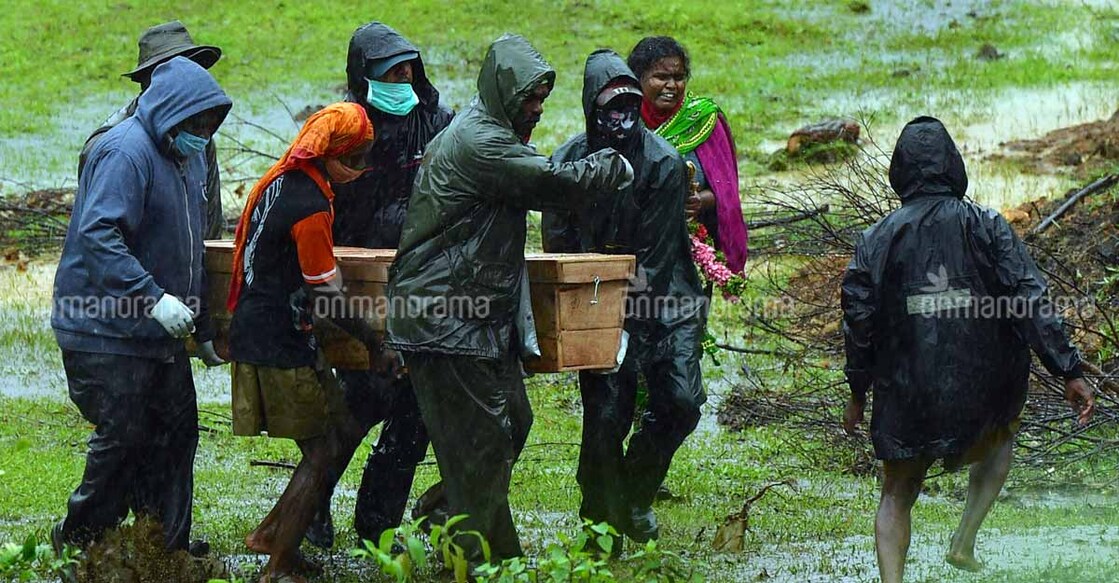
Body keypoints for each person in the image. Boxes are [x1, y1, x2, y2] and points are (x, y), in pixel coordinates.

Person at [384, 33, 633, 560]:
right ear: (503, 93)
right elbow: (552, 183)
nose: (538, 110)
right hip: (445, 317)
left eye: (542, 99)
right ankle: (488, 562)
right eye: (530, 99)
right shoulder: (482, 142)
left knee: (511, 424)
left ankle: (441, 524)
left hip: (472, 316)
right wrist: (616, 164)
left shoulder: (490, 129)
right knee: (484, 444)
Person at [841, 116, 1096, 583]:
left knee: (896, 491)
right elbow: (1029, 297)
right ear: (954, 167)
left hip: (905, 390)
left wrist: (858, 393)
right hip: (983, 388)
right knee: (1000, 440)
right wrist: (1069, 370)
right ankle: (965, 538)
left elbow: (859, 326)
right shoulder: (987, 226)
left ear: (899, 172)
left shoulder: (875, 240)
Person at [50, 57, 231, 566]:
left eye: (209, 125)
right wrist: (152, 297)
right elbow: (99, 236)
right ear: (170, 113)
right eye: (195, 124)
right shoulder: (124, 153)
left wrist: (208, 328)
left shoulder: (188, 157)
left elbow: (193, 247)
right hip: (101, 328)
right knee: (125, 433)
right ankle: (83, 537)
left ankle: (164, 546)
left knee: (177, 432)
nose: (202, 134)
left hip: (157, 332)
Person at [226, 102, 398, 582]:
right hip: (277, 340)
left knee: (338, 429)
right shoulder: (310, 206)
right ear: (334, 154)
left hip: (271, 329)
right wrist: (374, 343)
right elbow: (326, 293)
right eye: (358, 158)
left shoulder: (284, 181)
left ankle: (271, 533)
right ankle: (277, 565)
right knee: (322, 451)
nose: (362, 170)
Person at [542, 49, 706, 549]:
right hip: (596, 294)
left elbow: (655, 261)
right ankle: (598, 520)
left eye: (628, 106)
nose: (620, 117)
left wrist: (627, 327)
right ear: (592, 107)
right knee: (605, 417)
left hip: (666, 296)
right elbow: (559, 244)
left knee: (680, 401)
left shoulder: (663, 162)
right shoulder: (567, 161)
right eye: (610, 107)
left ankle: (633, 493)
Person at [305, 21, 454, 549]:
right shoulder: (345, 126)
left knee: (414, 412)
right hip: (355, 287)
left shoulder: (436, 121)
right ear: (363, 76)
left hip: (423, 286)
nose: (403, 77)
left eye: (408, 67)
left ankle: (378, 521)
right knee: (354, 405)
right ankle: (313, 511)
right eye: (390, 70)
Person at [79, 20, 227, 240]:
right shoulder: (114, 148)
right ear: (152, 82)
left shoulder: (198, 137)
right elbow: (100, 240)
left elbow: (210, 224)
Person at [627, 36, 748, 274]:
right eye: (661, 77)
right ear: (638, 79)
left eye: (679, 78)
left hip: (691, 246)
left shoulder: (704, 120)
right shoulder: (624, 121)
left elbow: (726, 190)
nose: (672, 86)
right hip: (636, 244)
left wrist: (699, 201)